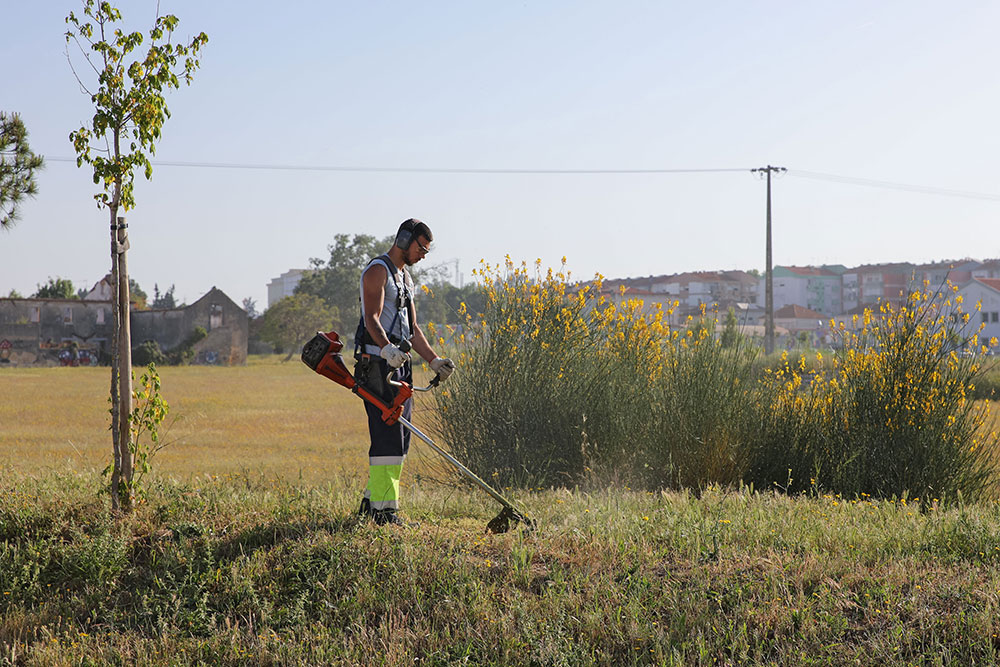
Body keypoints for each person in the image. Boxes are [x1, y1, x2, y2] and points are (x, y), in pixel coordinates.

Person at [355, 218, 455, 526]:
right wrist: (386, 348)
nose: (423, 254)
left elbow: (412, 329)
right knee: (388, 437)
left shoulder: (405, 279)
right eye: (421, 248)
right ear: (403, 239)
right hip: (378, 364)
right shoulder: (378, 271)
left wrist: (434, 360)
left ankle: (371, 504)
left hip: (400, 365)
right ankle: (385, 514)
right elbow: (371, 318)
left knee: (401, 439)